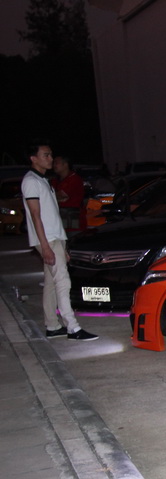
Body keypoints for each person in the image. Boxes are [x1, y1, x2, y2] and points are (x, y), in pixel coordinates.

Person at [21, 142, 98, 341]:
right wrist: (45, 246)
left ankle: (52, 326)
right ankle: (72, 327)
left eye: (51, 155)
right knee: (63, 281)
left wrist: (62, 244)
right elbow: (35, 216)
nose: (50, 159)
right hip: (48, 239)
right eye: (45, 155)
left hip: (55, 238)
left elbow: (52, 214)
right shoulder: (31, 181)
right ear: (33, 158)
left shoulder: (43, 180)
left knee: (51, 283)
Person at [51, 154, 86, 232]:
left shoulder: (74, 178)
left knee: (70, 235)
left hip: (72, 215)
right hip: (60, 213)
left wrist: (51, 197)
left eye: (56, 163)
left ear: (65, 164)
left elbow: (61, 195)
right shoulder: (55, 180)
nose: (54, 165)